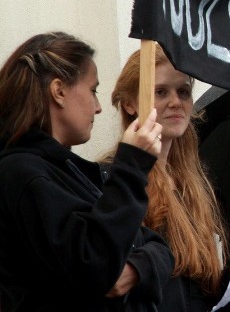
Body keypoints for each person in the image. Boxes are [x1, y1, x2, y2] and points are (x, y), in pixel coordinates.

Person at [0, 32, 172, 311]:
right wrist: (131, 165)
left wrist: (136, 268)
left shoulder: (70, 172)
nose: (99, 106)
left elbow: (154, 244)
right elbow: (95, 262)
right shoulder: (23, 174)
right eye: (92, 90)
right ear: (59, 91)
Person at [111, 45, 230, 311]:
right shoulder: (114, 179)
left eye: (183, 91)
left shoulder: (195, 183)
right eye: (161, 91)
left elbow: (195, 289)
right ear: (130, 103)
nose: (176, 101)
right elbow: (116, 281)